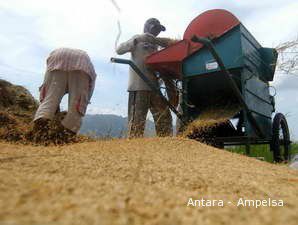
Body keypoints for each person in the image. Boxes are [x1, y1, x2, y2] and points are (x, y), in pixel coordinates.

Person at [116, 18, 178, 138]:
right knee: (137, 123)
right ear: (147, 27)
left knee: (164, 117)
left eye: (158, 30)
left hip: (154, 87)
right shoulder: (137, 39)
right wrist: (137, 39)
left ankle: (166, 145)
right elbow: (119, 50)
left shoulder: (156, 45)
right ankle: (134, 148)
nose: (157, 32)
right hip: (139, 87)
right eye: (155, 29)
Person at [33, 48, 97, 140]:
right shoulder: (89, 80)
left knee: (49, 101)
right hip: (82, 64)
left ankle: (39, 134)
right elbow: (84, 100)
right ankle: (62, 138)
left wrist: (52, 109)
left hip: (57, 57)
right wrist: (82, 104)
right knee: (75, 109)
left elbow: (46, 93)